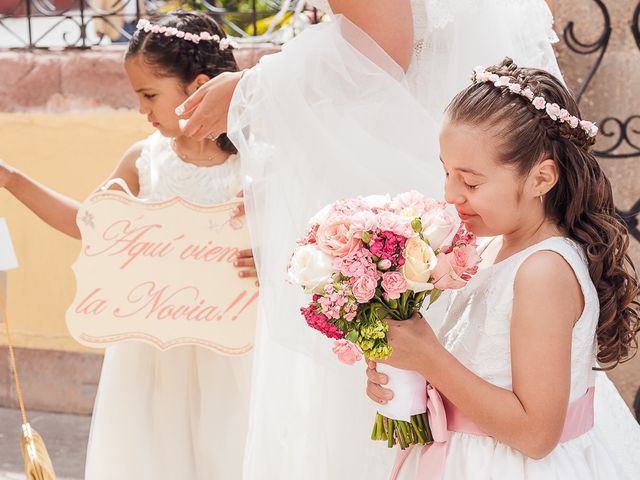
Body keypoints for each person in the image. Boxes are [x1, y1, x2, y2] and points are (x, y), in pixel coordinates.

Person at [0, 11, 255, 479]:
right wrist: (12, 180)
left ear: (198, 85)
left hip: (234, 348)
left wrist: (268, 256)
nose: (143, 110)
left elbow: (297, 240)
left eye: (149, 95)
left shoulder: (257, 162)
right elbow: (89, 224)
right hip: (152, 354)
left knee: (230, 452)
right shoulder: (145, 161)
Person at [367, 58, 640, 479]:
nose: (451, 194)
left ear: (541, 178)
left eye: (471, 182)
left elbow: (536, 434)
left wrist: (429, 357)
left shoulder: (544, 272)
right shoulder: (494, 245)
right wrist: (408, 381)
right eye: (446, 172)